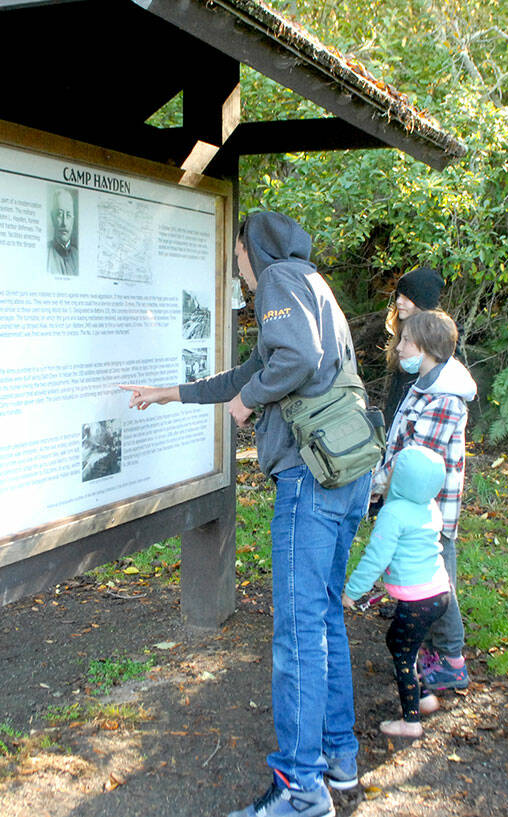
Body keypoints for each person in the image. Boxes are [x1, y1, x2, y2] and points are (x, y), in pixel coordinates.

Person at [121, 211, 369, 817]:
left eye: (236, 254)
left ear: (254, 249)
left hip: (309, 481)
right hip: (347, 472)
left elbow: (294, 361)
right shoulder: (314, 284)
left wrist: (242, 405)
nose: (236, 266)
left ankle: (299, 792)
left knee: (296, 634)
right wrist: (172, 392)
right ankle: (338, 762)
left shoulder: (280, 280)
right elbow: (258, 367)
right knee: (323, 621)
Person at [373, 308, 476, 692]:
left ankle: (451, 658)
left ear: (428, 347)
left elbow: (413, 459)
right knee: (425, 582)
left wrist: (374, 484)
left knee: (437, 585)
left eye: (406, 341)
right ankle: (433, 651)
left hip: (432, 513)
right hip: (413, 508)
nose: (399, 347)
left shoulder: (445, 398)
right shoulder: (424, 384)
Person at [342, 445, 450, 738]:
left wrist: (352, 591)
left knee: (402, 655)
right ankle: (425, 696)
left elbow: (376, 557)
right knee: (401, 642)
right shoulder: (429, 506)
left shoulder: (393, 513)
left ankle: (411, 721)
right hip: (439, 593)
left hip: (416, 600)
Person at [381, 267, 444, 429]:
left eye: (407, 297)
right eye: (399, 296)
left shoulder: (439, 342)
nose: (399, 302)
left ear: (422, 302)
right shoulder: (401, 331)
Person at [47, 188, 78, 276]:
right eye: (59, 215)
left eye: (68, 215)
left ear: (73, 220)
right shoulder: (45, 255)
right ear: (52, 217)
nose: (64, 223)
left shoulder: (78, 256)